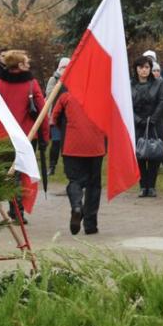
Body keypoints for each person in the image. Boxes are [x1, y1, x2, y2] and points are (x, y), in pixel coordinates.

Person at [0, 50, 49, 219]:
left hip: (4, 136)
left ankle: (14, 205)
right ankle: (18, 207)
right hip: (26, 136)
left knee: (9, 172)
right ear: (19, 65)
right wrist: (45, 137)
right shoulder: (31, 84)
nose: (29, 65)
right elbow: (42, 112)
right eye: (26, 62)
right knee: (21, 171)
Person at [51, 90, 105, 235]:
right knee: (94, 185)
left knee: (74, 181)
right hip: (96, 145)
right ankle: (90, 224)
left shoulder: (66, 96)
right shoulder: (101, 94)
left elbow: (54, 117)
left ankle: (76, 206)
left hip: (72, 145)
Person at [131, 56, 163, 197]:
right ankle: (142, 186)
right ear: (136, 69)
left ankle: (151, 186)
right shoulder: (129, 84)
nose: (144, 70)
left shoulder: (158, 83)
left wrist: (153, 119)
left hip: (154, 123)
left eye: (146, 67)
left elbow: (162, 101)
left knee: (155, 154)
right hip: (137, 123)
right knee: (139, 155)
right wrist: (137, 119)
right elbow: (127, 104)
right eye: (141, 67)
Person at [45, 57, 70, 176]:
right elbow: (49, 94)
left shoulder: (73, 79)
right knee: (56, 141)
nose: (65, 69)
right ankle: (52, 166)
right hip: (56, 115)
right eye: (63, 67)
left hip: (69, 117)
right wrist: (60, 82)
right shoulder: (53, 79)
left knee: (66, 144)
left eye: (67, 67)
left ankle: (67, 167)